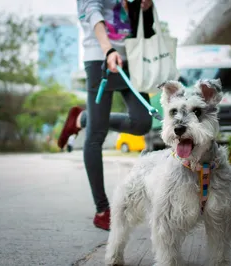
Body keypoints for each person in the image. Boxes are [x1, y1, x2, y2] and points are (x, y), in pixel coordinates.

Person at [57, 0, 155, 230]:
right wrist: (108, 50)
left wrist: (146, 8)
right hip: (100, 58)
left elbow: (145, 30)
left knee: (142, 122)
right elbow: (92, 11)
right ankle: (102, 210)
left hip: (132, 57)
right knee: (96, 135)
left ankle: (82, 119)